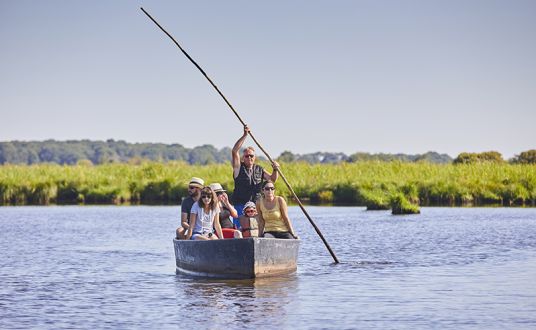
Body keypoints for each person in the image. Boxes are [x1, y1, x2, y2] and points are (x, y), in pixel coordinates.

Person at [231, 124, 280, 224]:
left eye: (251, 156)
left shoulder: (259, 169)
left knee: (256, 228)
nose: (249, 158)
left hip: (255, 205)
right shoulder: (238, 167)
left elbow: (272, 179)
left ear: (255, 157)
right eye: (247, 156)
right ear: (243, 158)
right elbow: (234, 150)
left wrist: (275, 170)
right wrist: (245, 135)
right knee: (241, 228)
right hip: (240, 204)